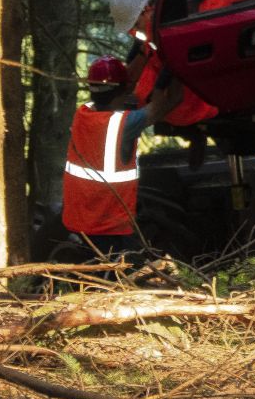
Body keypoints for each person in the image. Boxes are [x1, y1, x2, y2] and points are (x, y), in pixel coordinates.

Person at [61, 54, 177, 256]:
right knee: (117, 278)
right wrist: (172, 68)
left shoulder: (83, 114)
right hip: (109, 226)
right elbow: (165, 103)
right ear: (123, 90)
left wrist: (144, 53)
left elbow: (122, 88)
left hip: (81, 221)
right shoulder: (124, 124)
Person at [110, 0, 216, 127]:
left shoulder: (167, 29)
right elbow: (145, 51)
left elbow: (173, 61)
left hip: (193, 101)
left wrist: (158, 91)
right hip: (175, 87)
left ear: (146, 9)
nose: (134, 31)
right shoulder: (150, 27)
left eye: (135, 25)